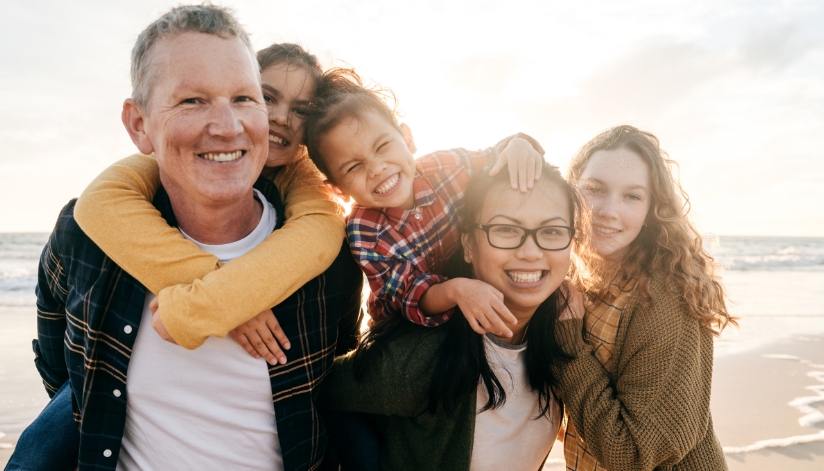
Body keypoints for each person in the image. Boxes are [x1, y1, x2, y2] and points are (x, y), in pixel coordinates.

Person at [9, 5, 362, 471]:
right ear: (139, 125)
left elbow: (335, 384)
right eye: (193, 101)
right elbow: (60, 359)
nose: (227, 125)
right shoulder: (88, 235)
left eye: (243, 99)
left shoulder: (327, 254)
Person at [321, 162, 585, 470]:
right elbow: (324, 390)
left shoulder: (563, 334)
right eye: (505, 229)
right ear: (469, 246)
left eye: (552, 231)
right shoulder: (424, 359)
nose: (530, 252)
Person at [304, 67, 545, 337]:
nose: (376, 168)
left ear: (407, 138)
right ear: (339, 190)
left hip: (475, 290)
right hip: (406, 327)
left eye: (382, 146)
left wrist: (519, 146)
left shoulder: (445, 166)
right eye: (353, 167)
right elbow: (410, 295)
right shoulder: (364, 231)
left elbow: (495, 157)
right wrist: (457, 290)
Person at [554, 125, 734, 470]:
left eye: (632, 196)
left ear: (653, 208)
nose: (609, 210)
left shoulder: (663, 297)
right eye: (594, 189)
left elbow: (635, 454)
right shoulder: (579, 279)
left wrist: (569, 347)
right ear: (570, 189)